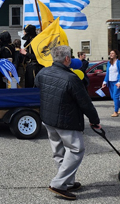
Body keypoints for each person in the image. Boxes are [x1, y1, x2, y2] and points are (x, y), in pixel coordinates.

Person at [35, 45, 101, 201]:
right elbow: (85, 103)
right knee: (76, 149)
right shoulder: (71, 78)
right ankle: (58, 184)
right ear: (67, 59)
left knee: (59, 151)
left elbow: (38, 85)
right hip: (66, 120)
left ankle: (67, 182)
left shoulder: (43, 72)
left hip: (48, 119)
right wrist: (95, 121)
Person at [101, 49, 120, 117]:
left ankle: (116, 112)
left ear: (116, 55)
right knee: (113, 96)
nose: (111, 54)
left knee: (115, 96)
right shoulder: (109, 63)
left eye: (112, 53)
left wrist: (119, 82)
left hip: (116, 82)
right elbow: (107, 73)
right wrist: (104, 82)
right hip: (110, 82)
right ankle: (118, 107)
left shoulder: (118, 62)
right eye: (110, 53)